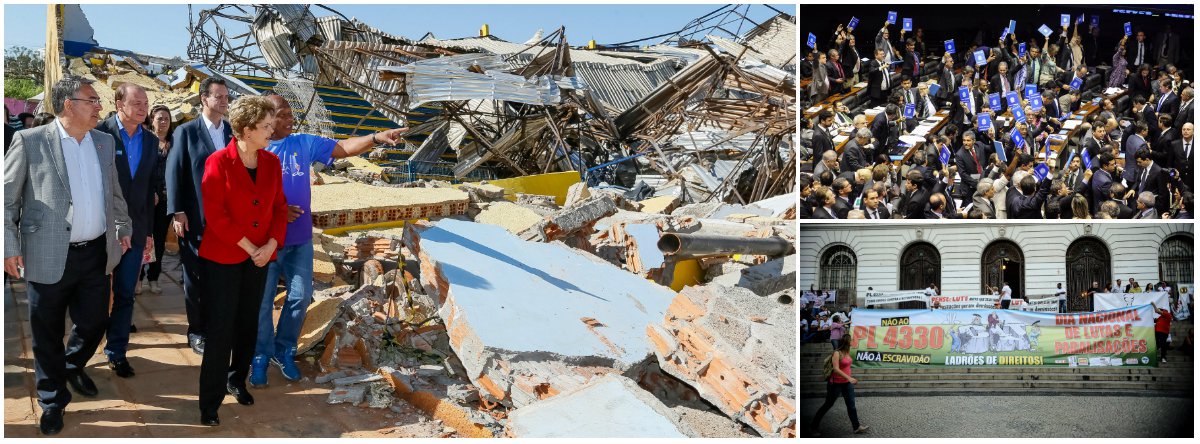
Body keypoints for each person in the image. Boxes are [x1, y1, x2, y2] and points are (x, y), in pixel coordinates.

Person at [4, 76, 133, 435]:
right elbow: (6, 198)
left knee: (94, 322)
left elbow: (115, 193)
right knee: (46, 332)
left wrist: (123, 227)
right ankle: (51, 399)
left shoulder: (104, 142)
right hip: (45, 254)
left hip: (95, 253)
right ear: (68, 105)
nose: (99, 107)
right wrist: (9, 248)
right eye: (91, 100)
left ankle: (72, 365)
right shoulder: (29, 141)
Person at [250, 94, 408, 386]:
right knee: (261, 302)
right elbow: (243, 197)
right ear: (267, 119)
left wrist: (376, 137)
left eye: (290, 113)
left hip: (298, 240)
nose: (290, 119)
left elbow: (343, 148)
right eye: (283, 115)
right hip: (266, 241)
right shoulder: (253, 151)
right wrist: (276, 212)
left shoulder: (302, 143)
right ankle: (259, 354)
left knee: (299, 297)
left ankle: (283, 351)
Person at [196, 95, 287, 426]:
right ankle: (210, 402)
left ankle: (237, 379)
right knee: (221, 329)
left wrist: (272, 243)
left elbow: (279, 208)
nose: (271, 129)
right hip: (224, 257)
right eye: (265, 126)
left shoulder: (272, 163)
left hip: (260, 257)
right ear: (247, 130)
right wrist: (253, 248)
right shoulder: (218, 162)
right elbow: (216, 216)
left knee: (248, 322)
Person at [95, 84, 160, 379]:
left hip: (134, 231)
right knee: (93, 293)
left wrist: (146, 232)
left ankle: (116, 351)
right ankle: (82, 346)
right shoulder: (99, 133)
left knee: (125, 293)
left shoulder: (149, 140)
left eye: (145, 102)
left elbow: (147, 190)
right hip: (98, 228)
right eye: (136, 102)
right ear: (118, 103)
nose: (143, 108)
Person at [167, 77, 233, 356]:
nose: (224, 102)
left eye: (226, 97)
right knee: (194, 278)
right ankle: (196, 331)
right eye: (218, 96)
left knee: (221, 278)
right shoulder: (186, 132)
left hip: (228, 221)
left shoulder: (232, 132)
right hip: (196, 218)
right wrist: (178, 211)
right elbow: (174, 171)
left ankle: (218, 327)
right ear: (204, 99)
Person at [140, 105, 174, 294]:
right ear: (152, 120)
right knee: (144, 238)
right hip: (147, 199)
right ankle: (139, 277)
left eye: (166, 119)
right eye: (159, 118)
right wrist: (149, 191)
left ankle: (154, 277)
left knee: (159, 240)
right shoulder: (145, 141)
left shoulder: (174, 142)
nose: (163, 122)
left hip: (166, 200)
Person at [808, 334, 868, 436]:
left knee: (851, 406)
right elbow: (836, 369)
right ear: (846, 342)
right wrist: (849, 378)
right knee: (828, 405)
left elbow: (846, 366)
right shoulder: (837, 353)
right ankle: (813, 427)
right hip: (835, 384)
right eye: (851, 341)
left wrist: (849, 378)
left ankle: (856, 427)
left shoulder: (848, 352)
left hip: (847, 384)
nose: (853, 342)